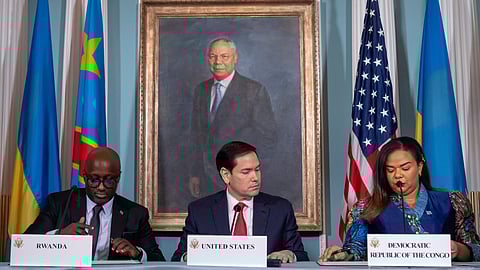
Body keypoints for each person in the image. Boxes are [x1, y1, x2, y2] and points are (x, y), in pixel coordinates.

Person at [319, 136, 480, 262]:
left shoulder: (452, 201)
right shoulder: (366, 207)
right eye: (390, 170)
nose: (398, 175)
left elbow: (476, 250)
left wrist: (457, 249)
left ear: (420, 167)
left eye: (405, 168)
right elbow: (356, 248)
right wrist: (342, 255)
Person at [172, 141, 308, 263]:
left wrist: (290, 254)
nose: (255, 178)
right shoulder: (200, 211)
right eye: (246, 172)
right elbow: (179, 257)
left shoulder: (280, 209)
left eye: (257, 169)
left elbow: (301, 256)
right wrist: (190, 256)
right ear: (226, 175)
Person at [25, 147, 165, 261]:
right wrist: (60, 234)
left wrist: (137, 253)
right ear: (84, 177)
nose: (101, 187)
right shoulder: (60, 203)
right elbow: (25, 245)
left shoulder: (135, 213)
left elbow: (158, 260)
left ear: (118, 178)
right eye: (94, 180)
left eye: (109, 180)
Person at [188, 37, 277, 199]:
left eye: (224, 56)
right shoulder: (201, 90)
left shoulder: (254, 91)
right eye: (213, 56)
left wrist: (249, 173)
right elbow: (196, 136)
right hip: (207, 180)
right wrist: (195, 173)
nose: (218, 61)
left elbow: (268, 138)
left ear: (235, 58)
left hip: (240, 180)